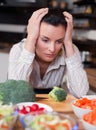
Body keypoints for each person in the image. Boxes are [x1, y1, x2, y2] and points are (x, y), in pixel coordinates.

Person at [8, 8, 89, 97]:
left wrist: (68, 43)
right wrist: (30, 39)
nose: (52, 49)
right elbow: (14, 91)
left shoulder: (69, 49)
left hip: (57, 107)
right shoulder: (18, 49)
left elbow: (81, 93)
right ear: (34, 35)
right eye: (45, 40)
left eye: (59, 41)